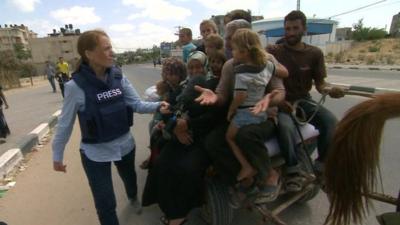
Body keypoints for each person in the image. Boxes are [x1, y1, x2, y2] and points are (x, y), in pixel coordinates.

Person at [51, 29, 169, 225]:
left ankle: (133, 197)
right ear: (89, 54)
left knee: (130, 180)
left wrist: (159, 105)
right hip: (94, 154)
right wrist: (57, 156)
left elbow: (137, 104)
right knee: (105, 204)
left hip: (125, 146)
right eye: (106, 49)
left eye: (111, 48)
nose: (112, 53)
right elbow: (65, 124)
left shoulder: (119, 77)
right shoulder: (74, 87)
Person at [195, 18, 288, 204]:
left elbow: (281, 92)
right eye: (227, 38)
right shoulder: (230, 65)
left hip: (264, 118)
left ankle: (270, 175)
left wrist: (267, 102)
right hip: (241, 115)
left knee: (246, 134)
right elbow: (222, 93)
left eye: (231, 38)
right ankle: (246, 180)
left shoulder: (267, 61)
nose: (227, 43)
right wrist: (215, 97)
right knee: (213, 141)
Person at [266, 10, 345, 190]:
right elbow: (263, 77)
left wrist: (330, 90)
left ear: (304, 29)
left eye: (295, 28)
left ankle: (321, 166)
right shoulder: (273, 51)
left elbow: (320, 84)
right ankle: (292, 172)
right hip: (282, 101)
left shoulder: (315, 53)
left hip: (304, 100)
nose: (291, 32)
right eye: (287, 29)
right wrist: (277, 101)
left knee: (331, 122)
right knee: (285, 128)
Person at [142, 52, 221, 225]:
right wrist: (176, 127)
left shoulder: (214, 85)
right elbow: (166, 111)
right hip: (179, 138)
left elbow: (214, 117)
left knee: (187, 169)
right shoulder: (183, 88)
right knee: (162, 164)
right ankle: (171, 212)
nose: (195, 70)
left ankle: (179, 215)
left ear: (205, 66)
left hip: (201, 138)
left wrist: (188, 124)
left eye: (199, 66)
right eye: (191, 67)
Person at [225, 29, 276, 183]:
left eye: (234, 49)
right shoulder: (268, 65)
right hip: (261, 112)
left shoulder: (241, 71)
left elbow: (241, 96)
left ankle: (246, 166)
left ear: (244, 51)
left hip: (245, 113)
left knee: (229, 137)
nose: (232, 52)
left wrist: (231, 109)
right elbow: (280, 73)